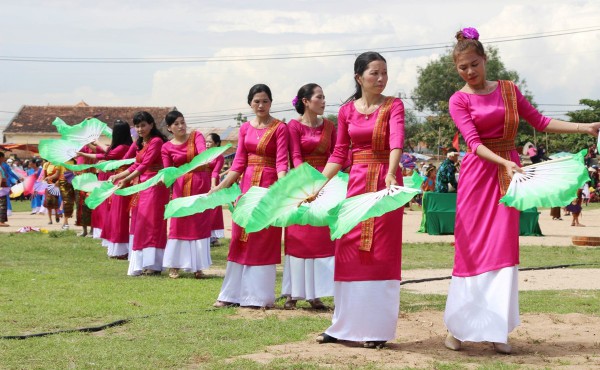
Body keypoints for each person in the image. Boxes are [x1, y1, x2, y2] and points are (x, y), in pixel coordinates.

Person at [443, 27, 600, 354]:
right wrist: (503, 161)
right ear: (456, 69)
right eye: (463, 67)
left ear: (485, 60)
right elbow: (472, 143)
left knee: (502, 250)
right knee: (470, 249)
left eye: (474, 64)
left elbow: (540, 122)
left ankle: (497, 330)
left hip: (508, 176)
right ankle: (458, 329)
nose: (470, 72)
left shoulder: (509, 91)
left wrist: (583, 126)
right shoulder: (458, 99)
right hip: (479, 175)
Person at [315, 52, 405, 349]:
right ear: (359, 77)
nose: (381, 79)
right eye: (374, 74)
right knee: (348, 249)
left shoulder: (394, 105)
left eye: (384, 73)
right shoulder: (345, 112)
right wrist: (318, 185)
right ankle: (343, 325)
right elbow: (340, 153)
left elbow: (396, 142)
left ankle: (376, 329)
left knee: (379, 252)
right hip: (355, 183)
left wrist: (391, 172)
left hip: (384, 186)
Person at [212, 84, 289, 308]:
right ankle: (231, 295)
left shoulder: (279, 128)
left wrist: (283, 186)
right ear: (250, 104)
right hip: (245, 188)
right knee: (240, 238)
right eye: (256, 101)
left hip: (269, 186)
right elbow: (238, 163)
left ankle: (258, 297)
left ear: (271, 103)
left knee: (264, 237)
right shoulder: (245, 128)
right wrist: (221, 186)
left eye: (265, 101)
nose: (261, 105)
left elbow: (281, 161)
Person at [282, 83, 336, 310]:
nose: (324, 101)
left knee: (321, 239)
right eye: (319, 97)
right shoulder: (293, 126)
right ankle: (292, 294)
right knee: (298, 238)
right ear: (306, 101)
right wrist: (307, 184)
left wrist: (324, 183)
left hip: (325, 184)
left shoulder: (330, 126)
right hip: (301, 186)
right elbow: (294, 155)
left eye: (324, 97)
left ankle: (316, 294)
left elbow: (335, 153)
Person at [110, 111, 169, 276]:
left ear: (151, 125)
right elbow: (136, 165)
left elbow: (144, 165)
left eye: (143, 125)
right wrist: (119, 176)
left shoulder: (156, 141)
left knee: (152, 222)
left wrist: (126, 179)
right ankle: (145, 262)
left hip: (155, 185)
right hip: (142, 185)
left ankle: (154, 264)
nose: (140, 128)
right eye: (137, 126)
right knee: (141, 222)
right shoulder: (140, 142)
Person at [161, 111, 212, 279]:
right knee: (178, 224)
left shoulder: (196, 136)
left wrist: (204, 161)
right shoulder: (166, 147)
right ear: (169, 128)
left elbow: (204, 154)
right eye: (176, 124)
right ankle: (174, 266)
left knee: (199, 223)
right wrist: (162, 178)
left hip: (199, 183)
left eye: (182, 122)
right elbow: (168, 171)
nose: (181, 126)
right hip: (180, 187)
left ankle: (198, 267)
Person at [78, 120, 134, 250]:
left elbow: (108, 154)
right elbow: (104, 154)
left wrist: (96, 142)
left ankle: (120, 245)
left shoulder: (124, 147)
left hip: (122, 180)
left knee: (119, 213)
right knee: (113, 212)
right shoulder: (123, 146)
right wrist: (84, 153)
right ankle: (114, 243)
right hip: (116, 179)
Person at [206, 133, 225, 245]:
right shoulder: (203, 154)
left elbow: (215, 172)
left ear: (216, 144)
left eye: (210, 142)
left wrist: (213, 186)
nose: (207, 144)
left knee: (213, 210)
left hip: (213, 183)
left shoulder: (220, 157)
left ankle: (212, 238)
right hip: (202, 182)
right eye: (206, 142)